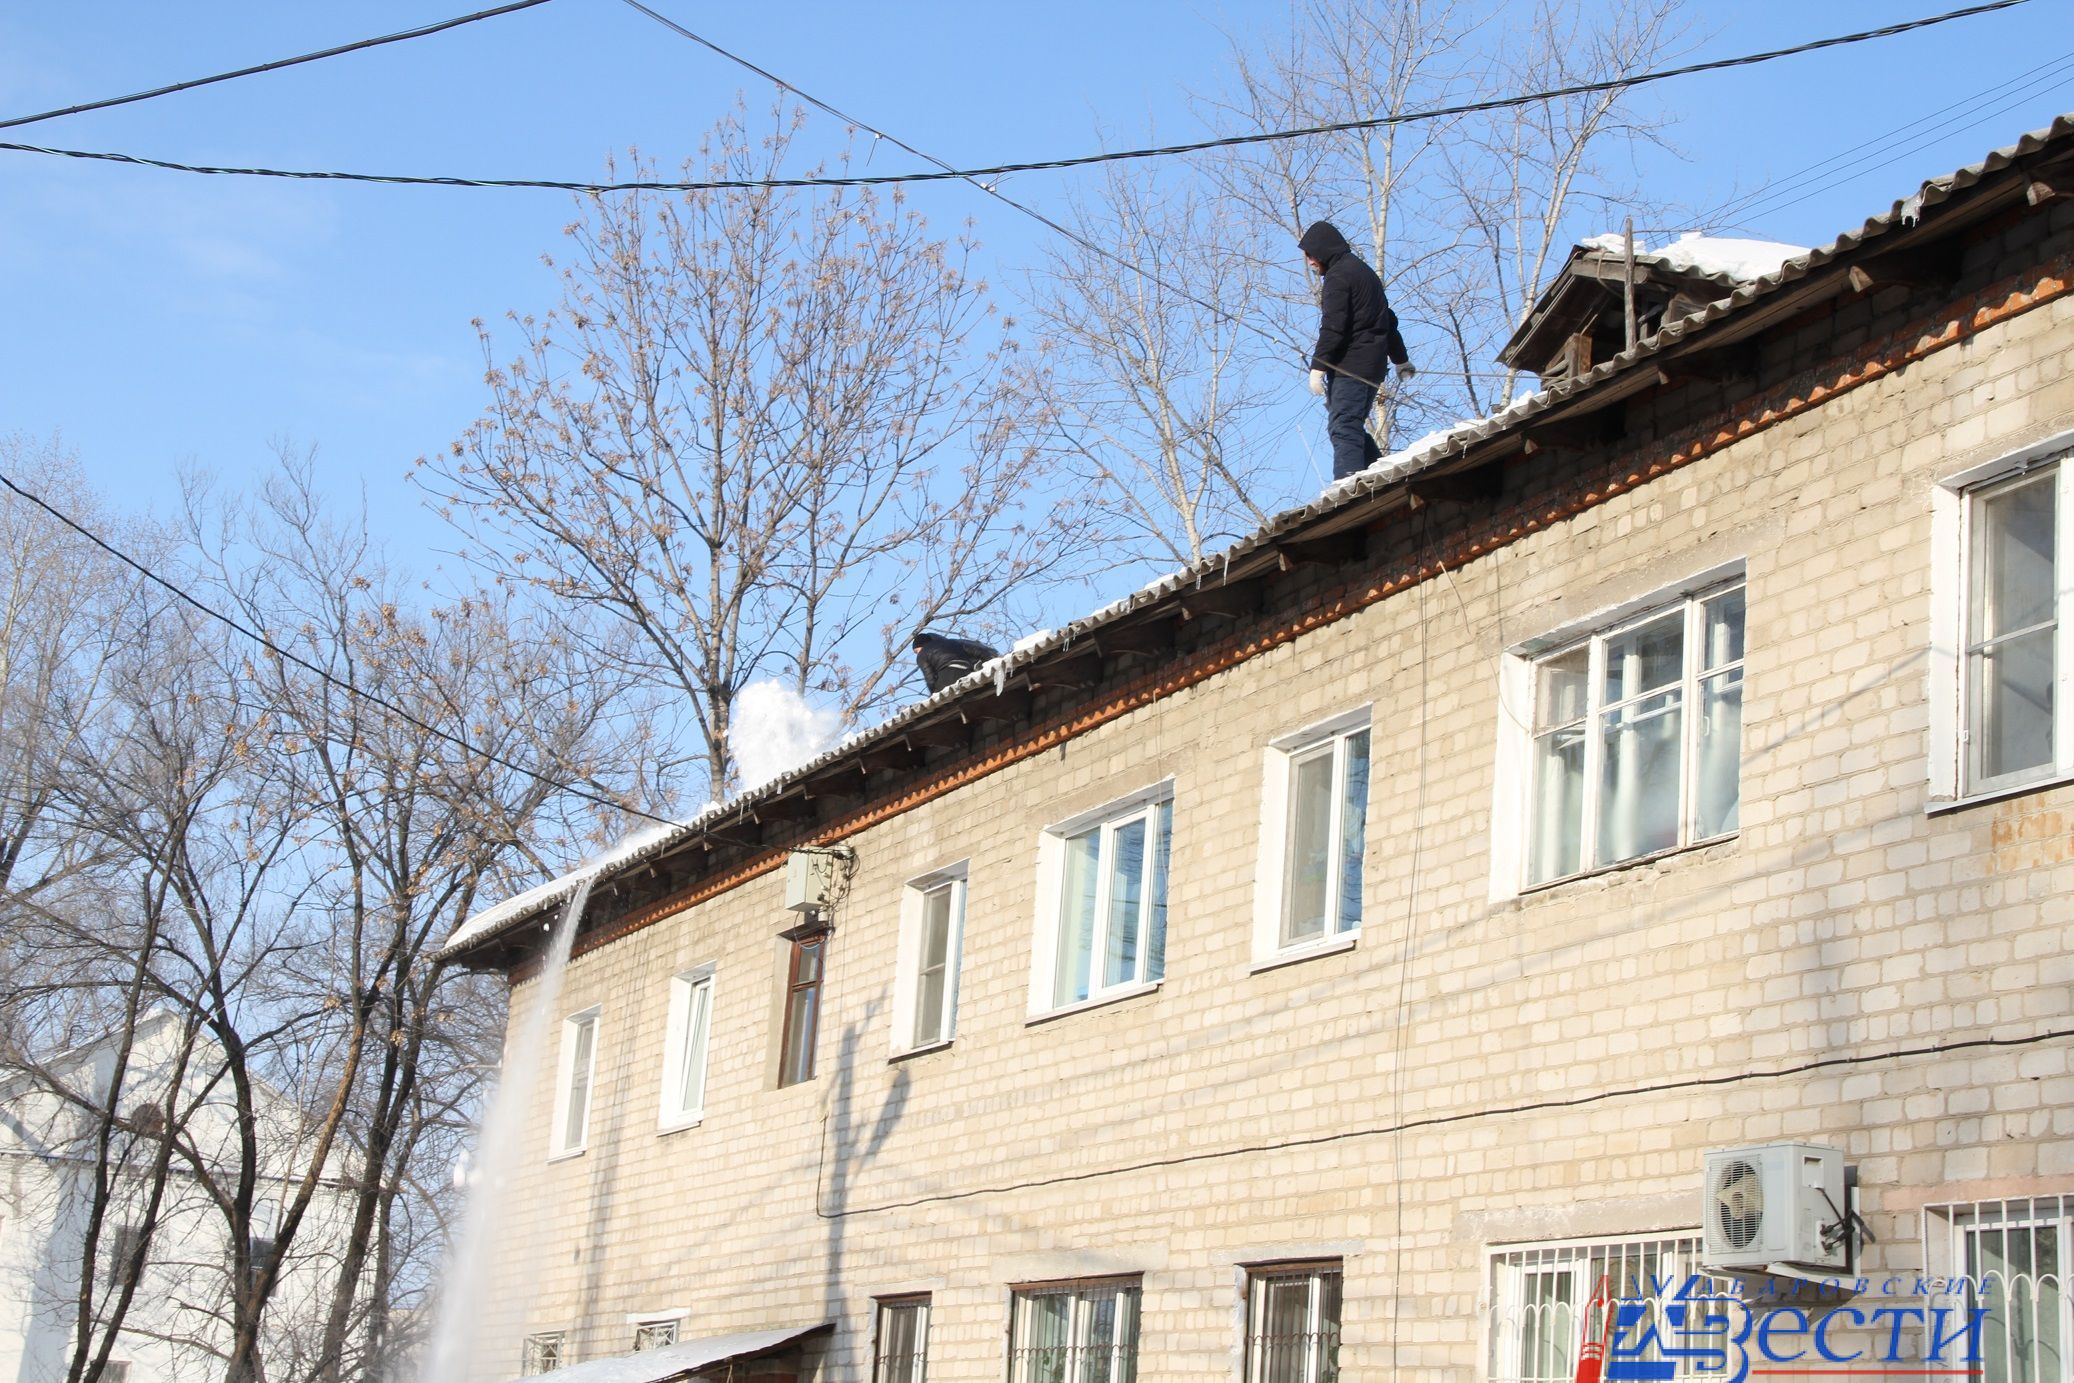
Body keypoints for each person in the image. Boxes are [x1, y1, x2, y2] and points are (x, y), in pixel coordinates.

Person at [1299, 220, 1412, 480]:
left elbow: (1333, 327)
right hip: (1371, 366)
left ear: (1323, 250)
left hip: (1352, 366)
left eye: (1311, 255)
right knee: (1347, 423)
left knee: (1343, 425)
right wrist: (1401, 359)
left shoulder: (1338, 277)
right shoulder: (1364, 272)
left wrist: (1317, 367)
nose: (1310, 262)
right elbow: (1386, 319)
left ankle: (1348, 486)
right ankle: (1379, 473)